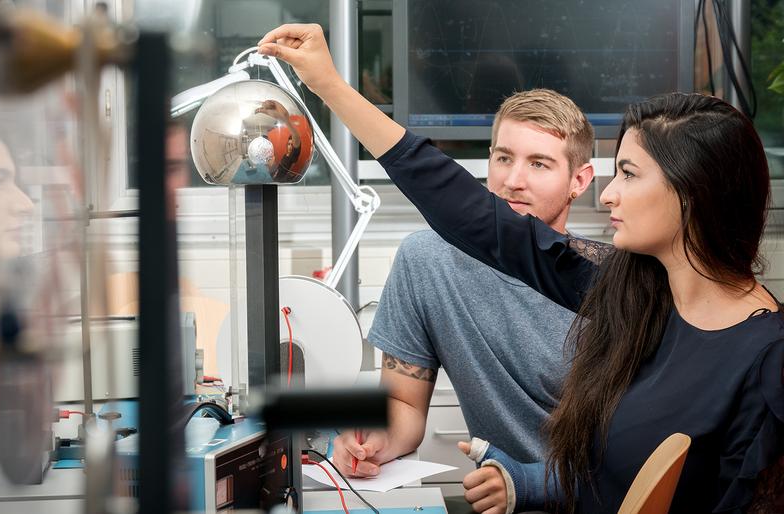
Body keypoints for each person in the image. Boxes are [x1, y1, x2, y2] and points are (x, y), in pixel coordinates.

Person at [257, 24, 784, 513]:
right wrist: (327, 84)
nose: (610, 195)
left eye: (627, 173)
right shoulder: (633, 291)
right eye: (503, 158)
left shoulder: (766, 362)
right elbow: (464, 210)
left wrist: (530, 483)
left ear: (692, 196)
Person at [331, 87, 598, 509]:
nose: (513, 180)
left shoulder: (609, 286)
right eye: (503, 158)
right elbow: (403, 402)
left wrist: (528, 485)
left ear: (579, 181)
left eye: (539, 164)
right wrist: (375, 438)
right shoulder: (428, 261)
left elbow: (637, 456)